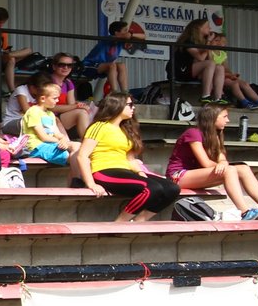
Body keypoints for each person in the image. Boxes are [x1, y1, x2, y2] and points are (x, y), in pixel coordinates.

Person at [166, 105, 258, 220]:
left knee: (243, 168)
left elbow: (221, 158)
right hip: (177, 176)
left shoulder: (215, 135)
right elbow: (205, 162)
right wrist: (223, 165)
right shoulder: (193, 133)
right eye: (225, 116)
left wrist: (223, 163)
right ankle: (245, 212)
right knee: (230, 170)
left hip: (197, 175)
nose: (228, 120)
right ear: (213, 117)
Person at [75, 92, 181, 222]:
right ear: (117, 106)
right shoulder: (99, 126)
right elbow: (82, 156)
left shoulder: (126, 129)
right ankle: (120, 223)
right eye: (130, 105)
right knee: (152, 188)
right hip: (103, 171)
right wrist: (91, 183)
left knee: (172, 188)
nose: (133, 108)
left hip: (125, 170)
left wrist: (140, 172)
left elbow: (130, 159)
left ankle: (139, 221)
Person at [19, 80, 79, 166]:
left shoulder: (50, 114)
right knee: (67, 155)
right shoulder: (33, 111)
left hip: (51, 144)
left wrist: (63, 139)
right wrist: (60, 142)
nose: (57, 100)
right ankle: (77, 173)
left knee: (78, 146)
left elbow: (57, 133)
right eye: (54, 98)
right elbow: (43, 137)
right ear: (43, 99)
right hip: (36, 147)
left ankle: (76, 173)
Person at [209, 30, 258, 108]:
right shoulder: (210, 51)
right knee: (234, 84)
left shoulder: (223, 54)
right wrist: (229, 75)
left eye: (222, 41)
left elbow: (226, 68)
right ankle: (245, 102)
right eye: (216, 40)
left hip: (225, 75)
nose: (220, 43)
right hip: (217, 77)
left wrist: (231, 75)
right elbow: (214, 68)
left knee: (245, 83)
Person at [82, 20, 143, 98]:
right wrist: (129, 36)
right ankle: (114, 92)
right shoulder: (110, 38)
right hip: (89, 65)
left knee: (121, 65)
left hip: (104, 67)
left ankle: (125, 92)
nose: (127, 32)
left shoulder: (120, 41)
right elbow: (124, 37)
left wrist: (131, 35)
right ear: (117, 32)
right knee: (112, 65)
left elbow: (143, 37)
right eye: (125, 30)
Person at [47, 53, 93, 137]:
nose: (66, 68)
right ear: (54, 66)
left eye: (69, 65)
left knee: (87, 111)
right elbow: (51, 107)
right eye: (62, 65)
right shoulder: (47, 81)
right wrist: (77, 106)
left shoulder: (68, 83)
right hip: (47, 118)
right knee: (81, 113)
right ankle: (87, 142)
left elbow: (71, 104)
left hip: (61, 117)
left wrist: (82, 106)